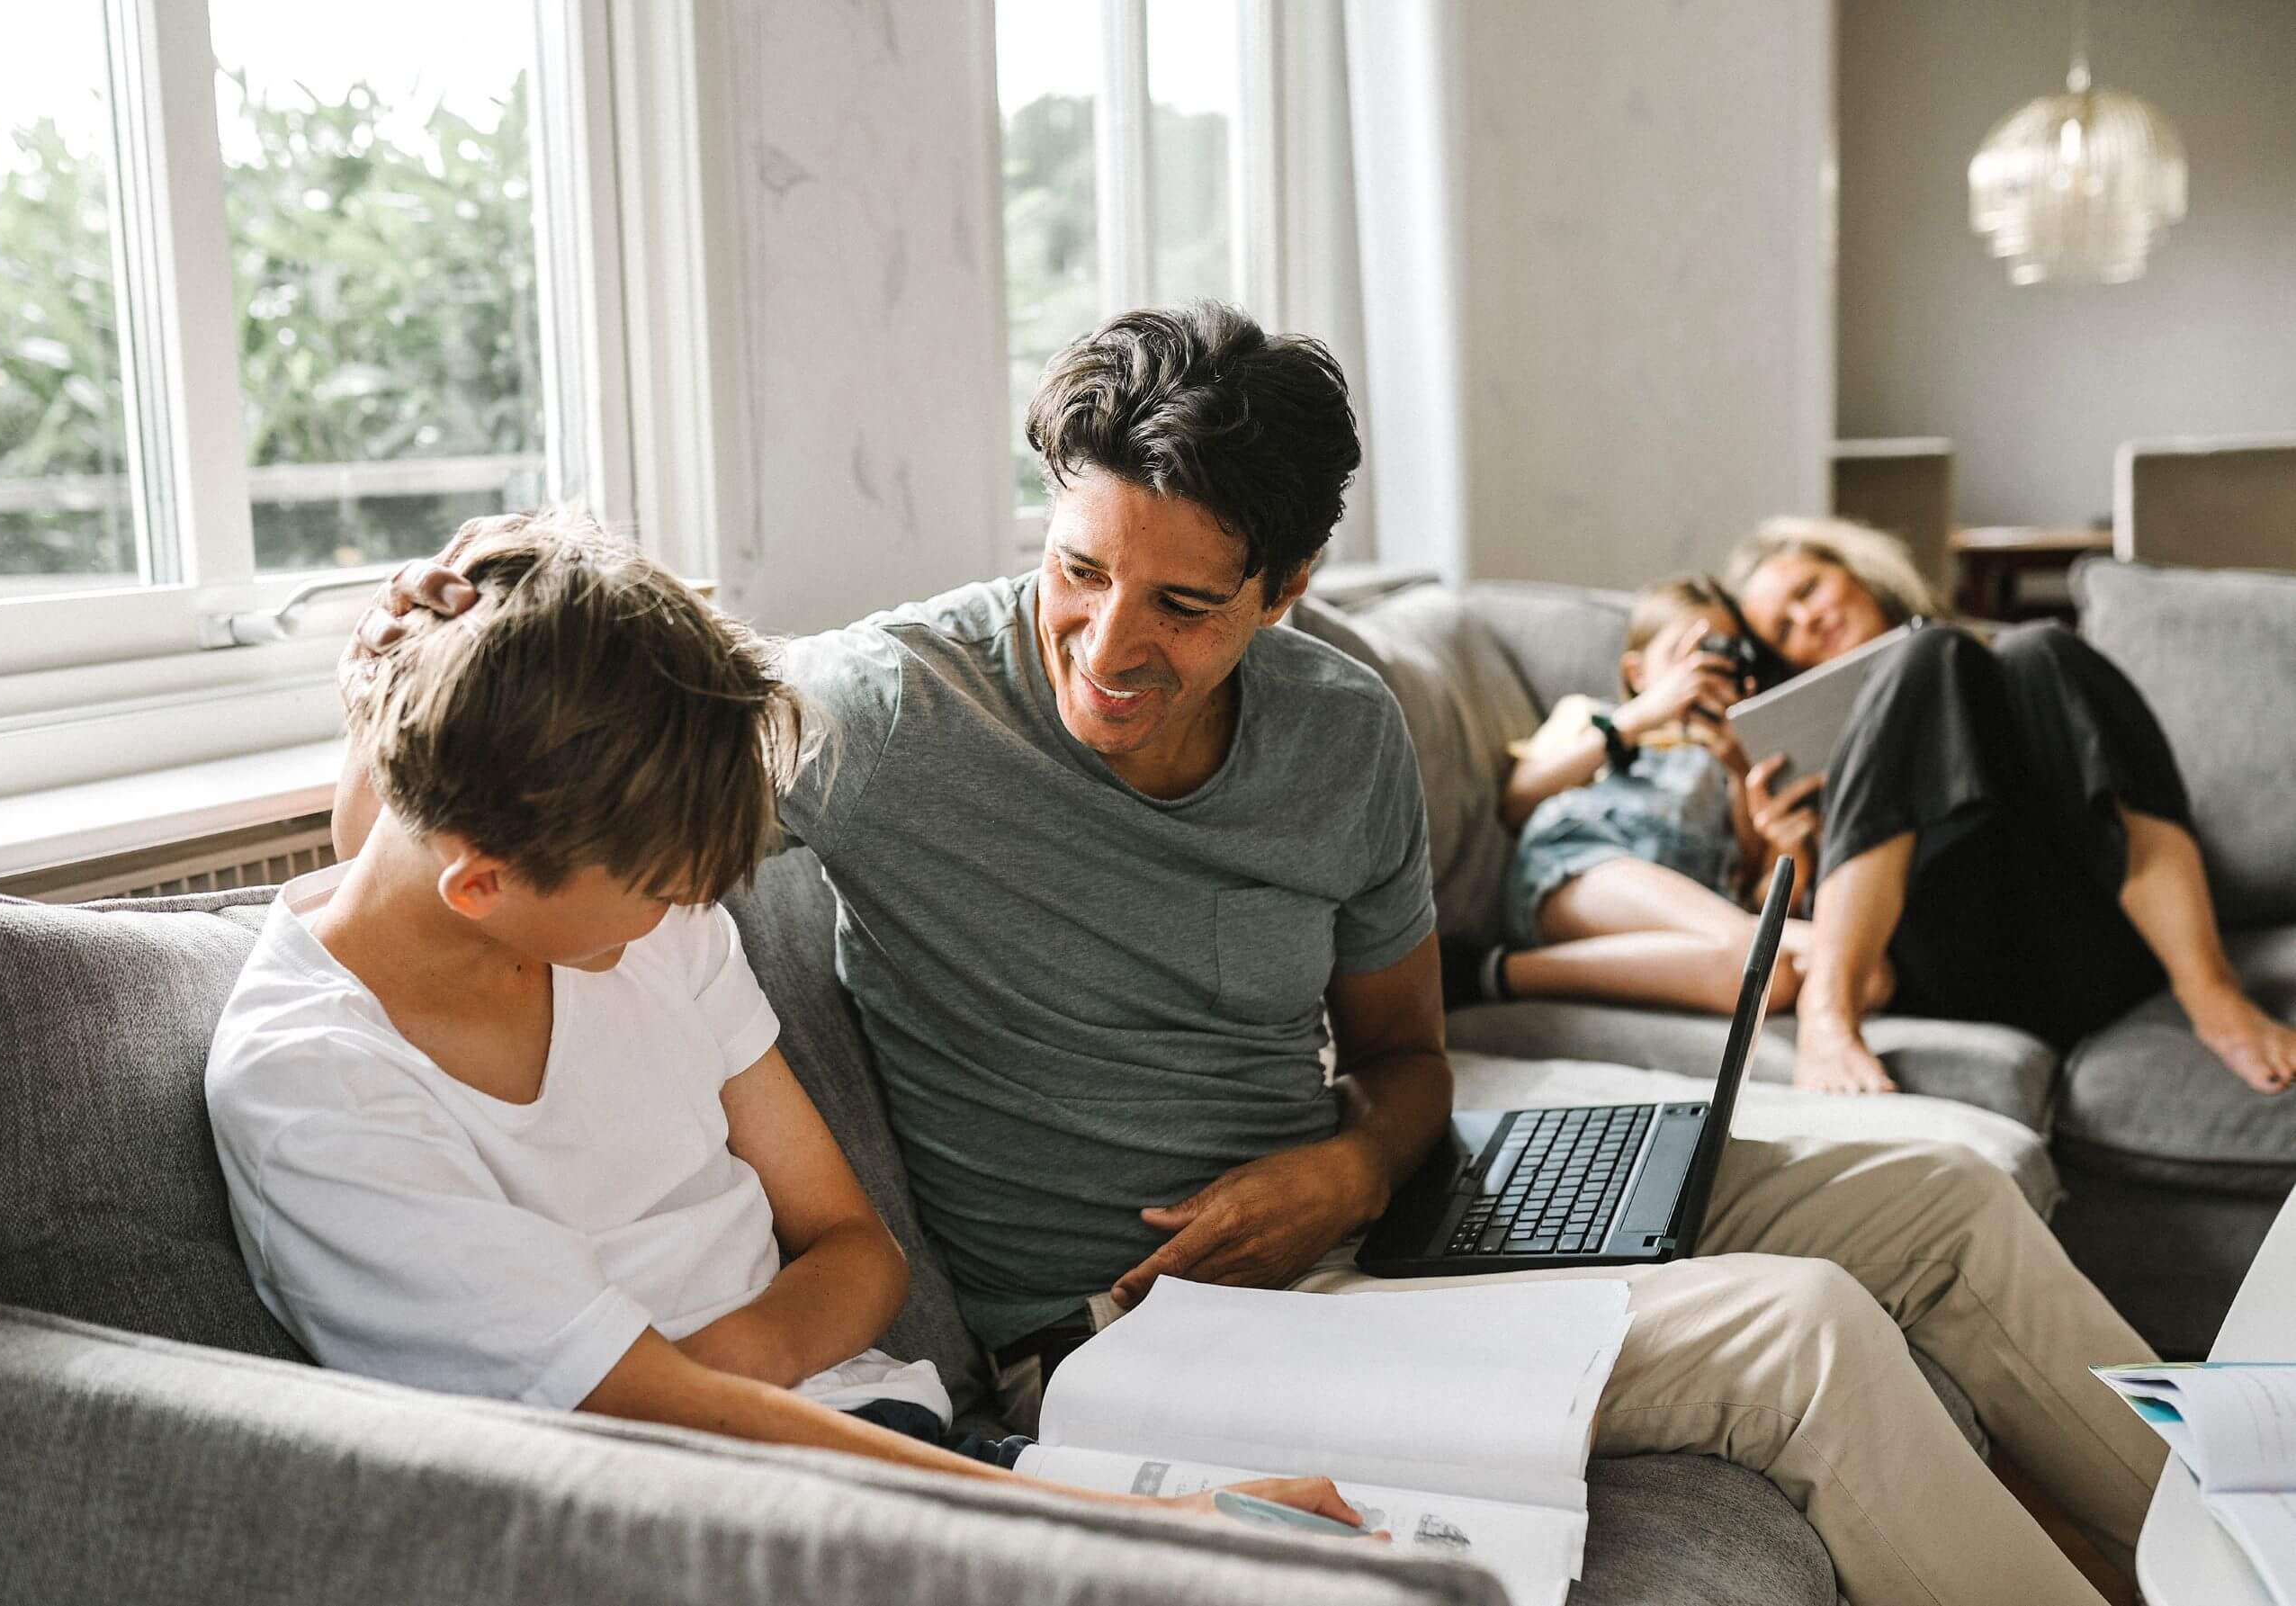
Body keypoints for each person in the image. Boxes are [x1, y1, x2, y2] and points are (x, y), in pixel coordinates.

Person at [362, 307, 2165, 1606]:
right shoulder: (882, 711)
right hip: (1134, 1331)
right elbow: (600, 727)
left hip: (1365, 1221)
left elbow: (1408, 1055)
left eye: (1181, 603)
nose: (1105, 645)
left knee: (1945, 1203)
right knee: (1804, 1335)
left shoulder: (1341, 727)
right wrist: (427, 646)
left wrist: (1353, 1157)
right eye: (1078, 570)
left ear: (1289, 593)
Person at [207, 511, 1368, 1530]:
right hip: (713, 1516)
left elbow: (859, 1251)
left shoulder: (614, 918)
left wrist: (742, 1357)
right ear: (485, 883)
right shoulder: (318, 1091)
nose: (693, 905)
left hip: (892, 1446)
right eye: (660, 885)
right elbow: (649, 1432)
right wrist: (1150, 1527)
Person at [1728, 516, 2296, 1099]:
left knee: (2040, 647)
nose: (1808, 619)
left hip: (2089, 940)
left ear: (1859, 572)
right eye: (1784, 629)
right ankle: (1827, 1019)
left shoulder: (2003, 664)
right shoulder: (1805, 757)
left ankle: (2212, 991)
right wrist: (1791, 851)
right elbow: (1771, 925)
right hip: (1951, 965)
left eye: (1807, 590)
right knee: (1925, 657)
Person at [1458, 573, 1876, 1017]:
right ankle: (1496, 972)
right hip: (1583, 869)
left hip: (1701, 916)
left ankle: (1498, 972)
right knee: (1757, 958)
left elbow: (1752, 886)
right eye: (1689, 654)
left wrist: (1739, 762)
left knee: (1865, 974)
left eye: (1724, 655)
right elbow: (1516, 801)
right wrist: (1641, 718)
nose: (1704, 672)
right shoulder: (1600, 718)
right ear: (1635, 673)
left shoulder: (1737, 759)